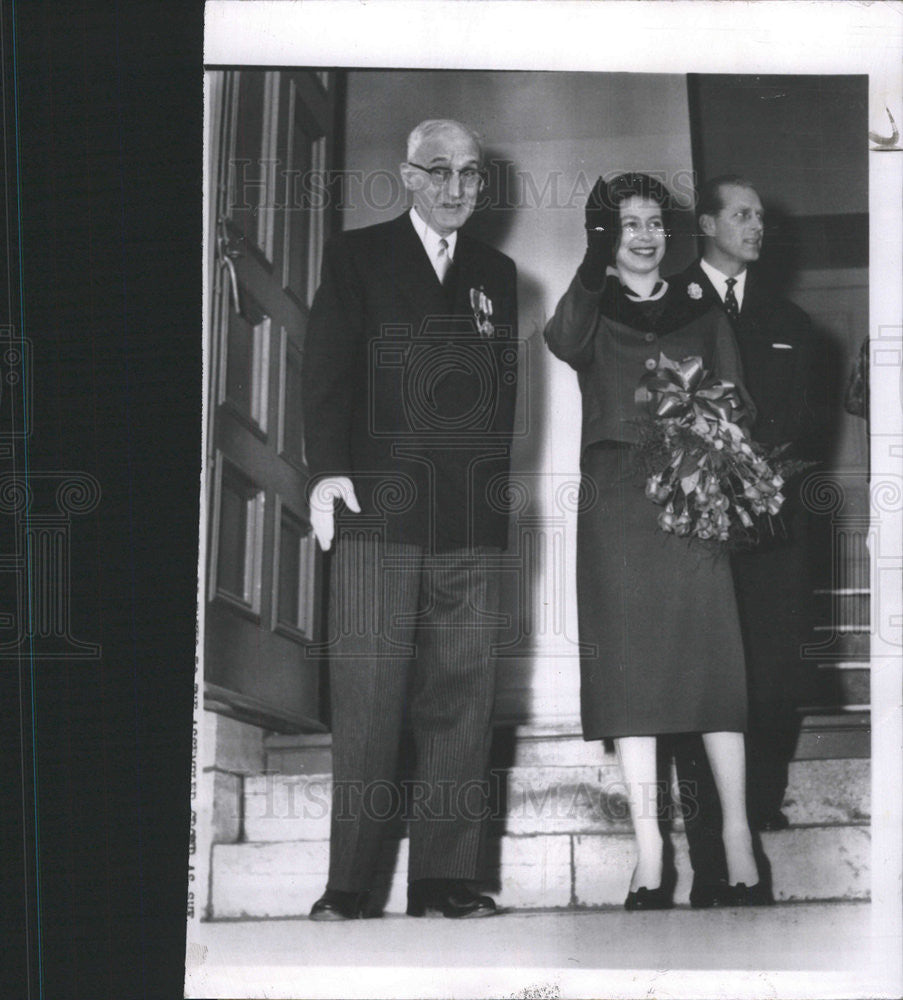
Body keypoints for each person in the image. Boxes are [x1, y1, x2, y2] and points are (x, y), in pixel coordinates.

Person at [301, 119, 519, 920]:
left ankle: (443, 879)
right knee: (367, 698)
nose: (456, 187)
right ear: (408, 176)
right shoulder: (359, 256)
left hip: (469, 516)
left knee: (462, 698)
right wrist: (326, 473)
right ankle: (349, 885)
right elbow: (325, 368)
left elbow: (502, 407)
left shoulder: (498, 272)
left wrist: (495, 510)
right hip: (376, 509)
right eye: (440, 170)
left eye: (470, 172)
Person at [544, 172, 769, 909]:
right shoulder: (590, 305)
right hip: (617, 510)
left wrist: (709, 443)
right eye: (625, 224)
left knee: (712, 664)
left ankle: (736, 841)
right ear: (605, 236)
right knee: (630, 679)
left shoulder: (700, 307)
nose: (642, 235)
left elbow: (739, 399)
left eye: (651, 223)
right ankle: (650, 856)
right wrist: (590, 262)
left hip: (691, 497)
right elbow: (561, 338)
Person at [668, 176, 822, 906]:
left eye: (761, 214)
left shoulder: (790, 320)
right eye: (741, 213)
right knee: (700, 678)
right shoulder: (665, 305)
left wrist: (758, 478)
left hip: (767, 524)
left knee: (769, 667)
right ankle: (706, 844)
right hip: (692, 525)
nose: (756, 225)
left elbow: (801, 428)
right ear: (706, 224)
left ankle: (755, 811)